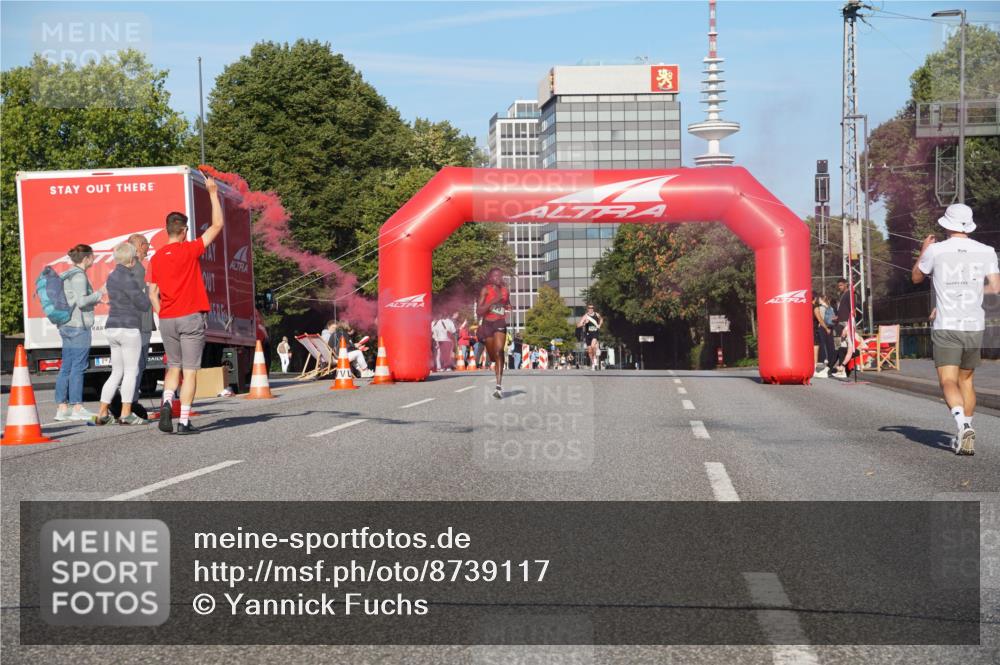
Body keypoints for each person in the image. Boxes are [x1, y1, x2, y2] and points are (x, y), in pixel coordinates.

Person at [912, 203, 1000, 456]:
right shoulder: (986, 251)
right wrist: (971, 293)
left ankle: (962, 425)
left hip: (947, 325)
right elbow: (995, 287)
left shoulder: (937, 250)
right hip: (974, 325)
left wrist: (923, 251)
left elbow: (917, 277)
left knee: (948, 380)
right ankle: (967, 430)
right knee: (967, 380)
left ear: (946, 224)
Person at [149, 176, 224, 435]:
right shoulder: (189, 249)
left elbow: (152, 293)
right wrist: (213, 193)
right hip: (190, 317)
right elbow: (217, 225)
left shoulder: (156, 258)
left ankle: (167, 400)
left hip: (167, 318)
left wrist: (162, 313)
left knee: (173, 367)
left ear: (167, 230)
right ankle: (183, 421)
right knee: (190, 372)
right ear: (183, 231)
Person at [95, 243, 151, 425]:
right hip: (128, 328)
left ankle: (102, 412)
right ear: (131, 259)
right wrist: (147, 294)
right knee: (131, 371)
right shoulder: (129, 278)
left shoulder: (111, 277)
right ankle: (126, 413)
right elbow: (143, 304)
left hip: (112, 326)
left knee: (116, 372)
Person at [54, 244, 106, 421]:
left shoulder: (67, 274)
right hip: (78, 327)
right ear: (86, 259)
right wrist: (99, 293)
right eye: (92, 256)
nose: (93, 259)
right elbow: (82, 302)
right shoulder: (79, 276)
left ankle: (62, 408)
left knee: (66, 367)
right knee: (78, 367)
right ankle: (77, 407)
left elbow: (75, 300)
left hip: (67, 325)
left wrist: (95, 301)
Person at [126, 234, 156, 413]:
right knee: (137, 365)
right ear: (138, 246)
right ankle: (131, 403)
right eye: (146, 244)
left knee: (132, 366)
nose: (148, 247)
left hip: (133, 323)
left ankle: (127, 403)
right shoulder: (137, 269)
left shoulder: (127, 268)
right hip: (139, 324)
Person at [477, 268, 510, 398]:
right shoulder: (485, 290)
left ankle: (498, 387)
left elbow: (507, 303)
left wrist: (507, 306)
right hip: (487, 324)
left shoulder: (505, 291)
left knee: (499, 351)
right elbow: (479, 311)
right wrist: (493, 301)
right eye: (494, 276)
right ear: (490, 278)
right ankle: (494, 363)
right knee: (492, 355)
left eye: (499, 276)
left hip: (500, 322)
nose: (497, 278)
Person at [813, 294, 836, 378]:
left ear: (821, 299)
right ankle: (829, 361)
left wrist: (824, 327)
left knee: (822, 345)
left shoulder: (821, 308)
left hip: (822, 328)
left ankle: (824, 360)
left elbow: (820, 319)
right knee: (830, 345)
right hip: (830, 327)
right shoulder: (830, 308)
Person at [577, 304, 603, 370]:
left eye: (592, 308)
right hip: (588, 334)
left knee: (593, 346)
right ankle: (593, 363)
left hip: (595, 333)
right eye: (589, 308)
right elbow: (578, 325)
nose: (591, 309)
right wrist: (584, 323)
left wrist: (599, 325)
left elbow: (601, 319)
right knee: (589, 351)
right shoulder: (585, 316)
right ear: (587, 309)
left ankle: (595, 354)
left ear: (593, 309)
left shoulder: (596, 314)